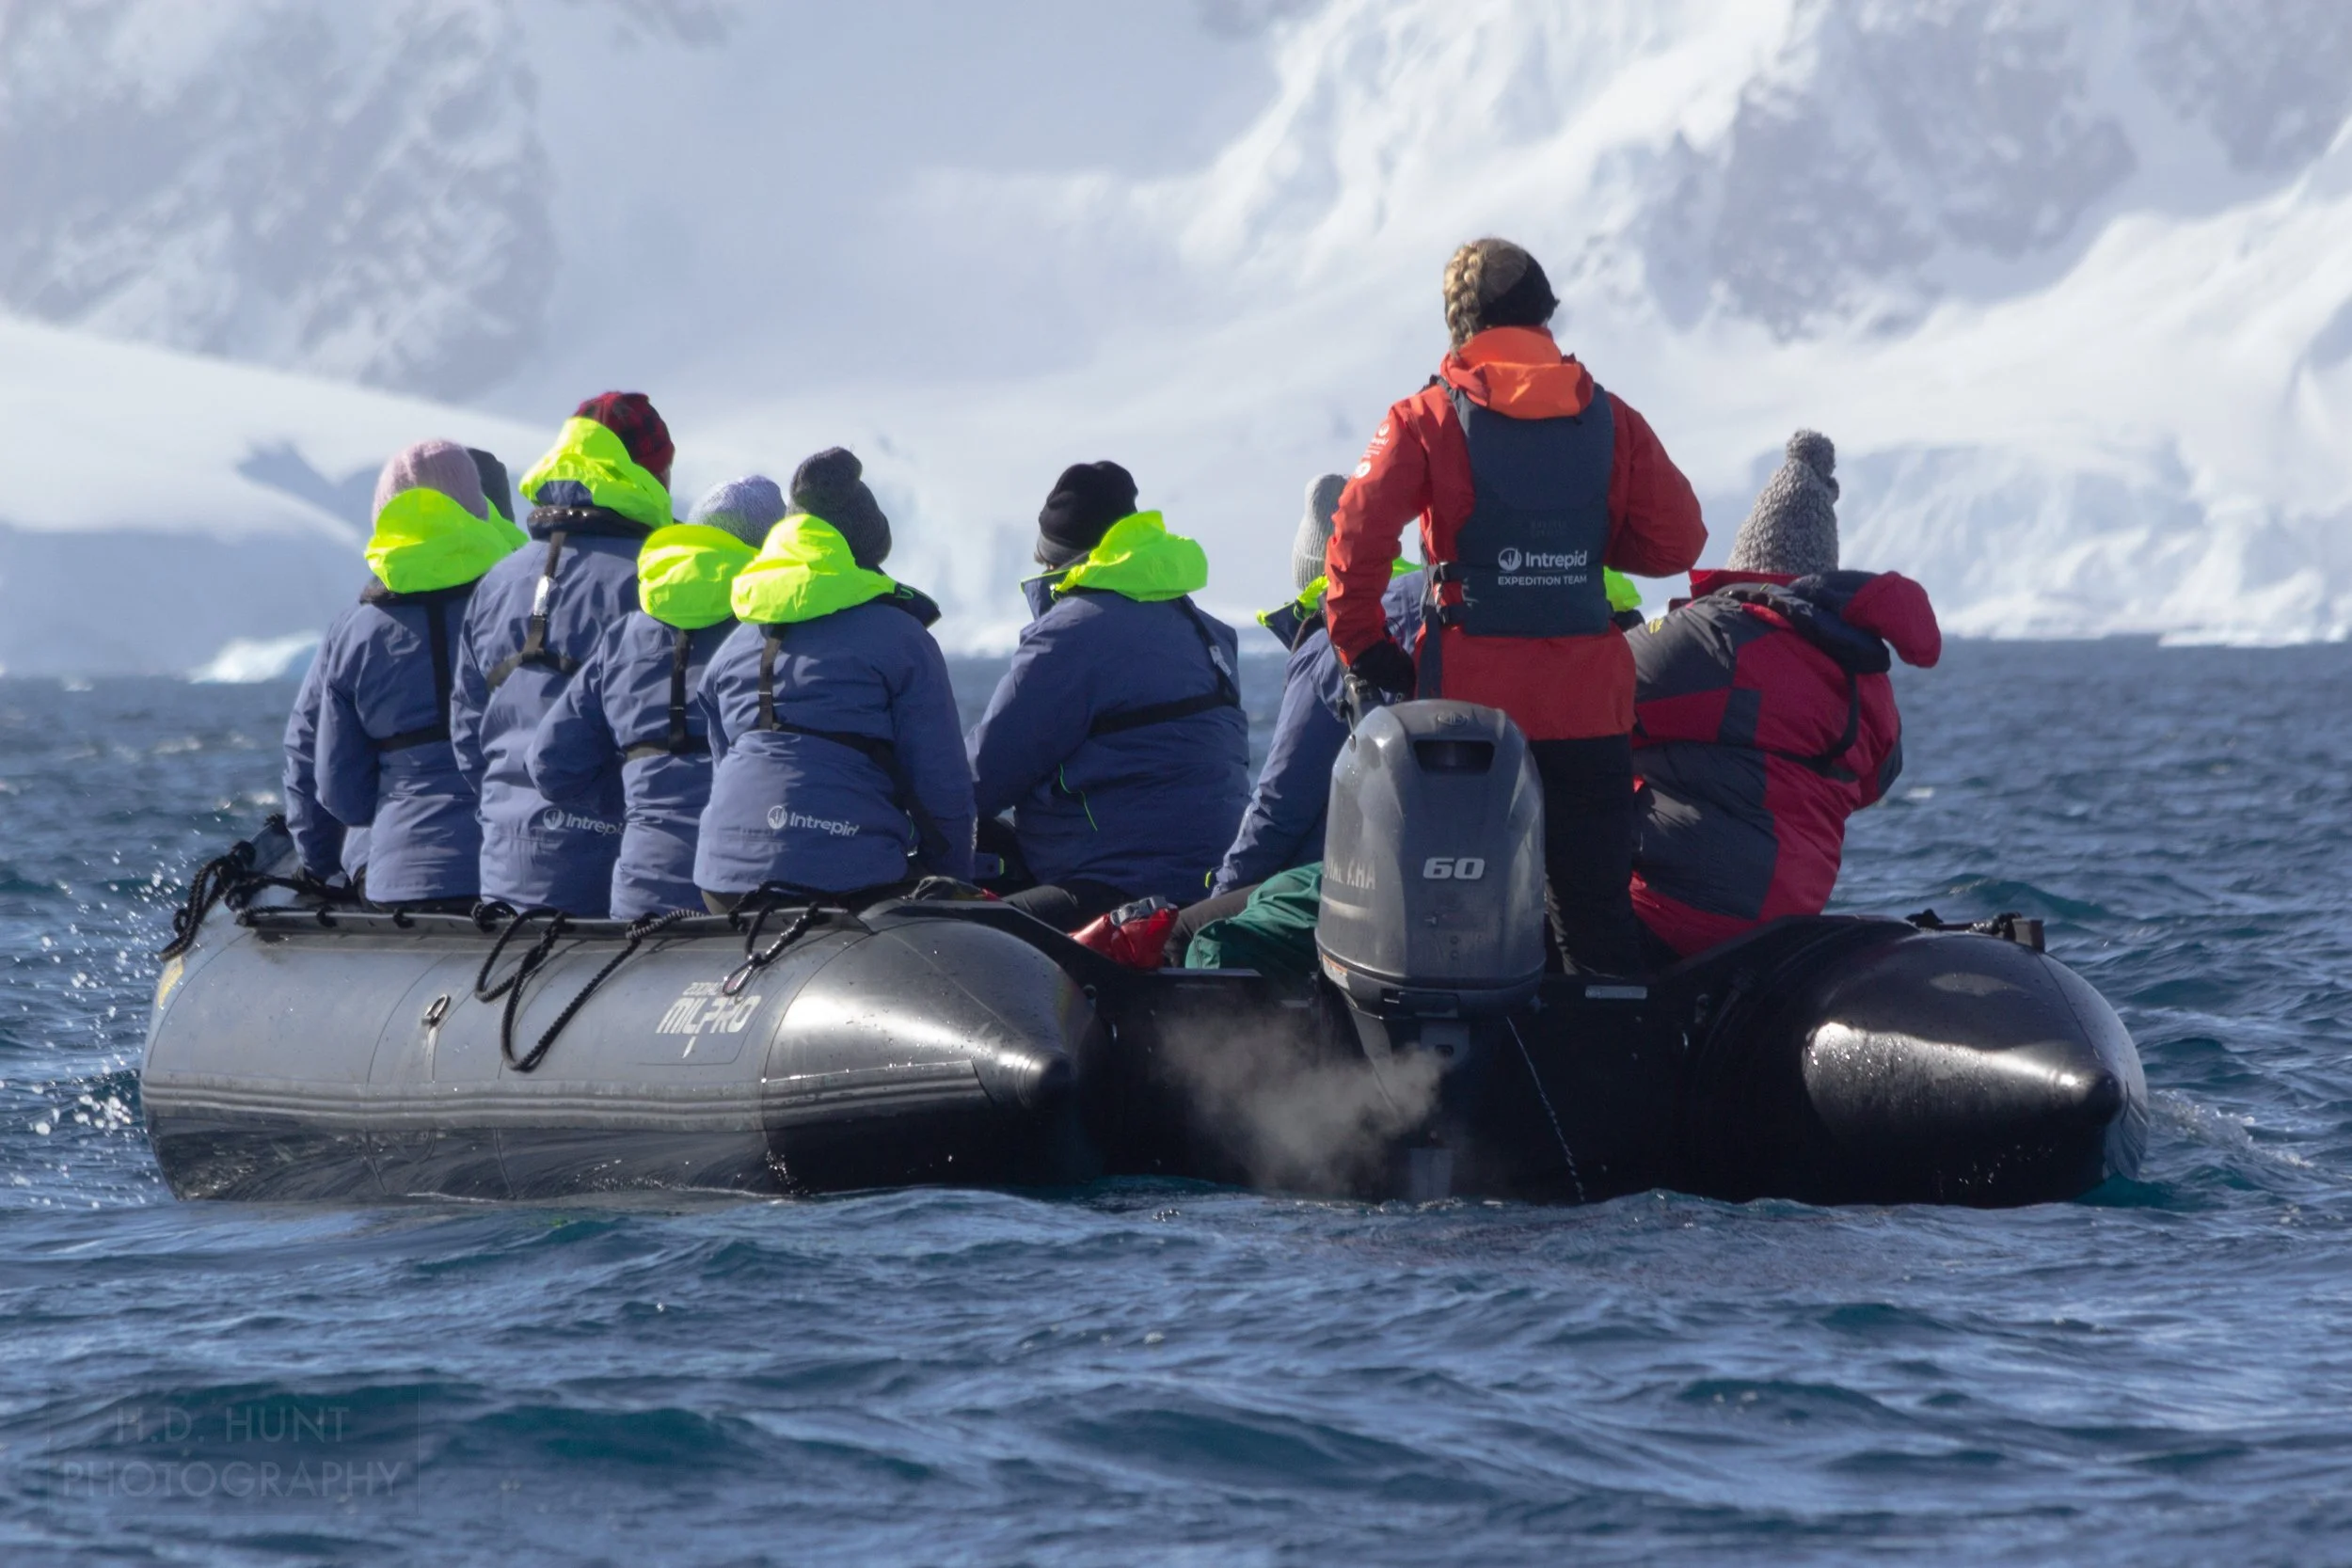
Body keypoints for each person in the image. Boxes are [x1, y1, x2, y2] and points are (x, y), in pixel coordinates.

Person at [1322, 236, 1707, 974]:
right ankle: (1608, 1043)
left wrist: (1365, 647)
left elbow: (1355, 534)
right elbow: (1677, 542)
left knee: (1462, 918)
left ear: (1459, 325)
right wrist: (1578, 541)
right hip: (1590, 710)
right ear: (1545, 314)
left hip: (1467, 718)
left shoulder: (1425, 416)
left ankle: (1477, 1049)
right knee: (1596, 921)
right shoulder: (1612, 420)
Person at [1628, 431, 1942, 962]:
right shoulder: (1864, 677)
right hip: (1784, 930)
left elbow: (1585, 694)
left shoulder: (1714, 638)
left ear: (1747, 559)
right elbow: (1875, 781)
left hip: (1671, 916)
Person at [967, 461, 1249, 927]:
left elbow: (983, 777)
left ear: (1058, 562)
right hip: (1213, 881)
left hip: (1118, 887)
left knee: (939, 926)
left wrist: (899, 808)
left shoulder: (1069, 634)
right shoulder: (1206, 630)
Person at [693, 449, 974, 907]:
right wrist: (952, 882)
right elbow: (942, 788)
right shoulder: (902, 638)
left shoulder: (736, 645)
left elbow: (728, 769)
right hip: (845, 879)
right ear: (869, 550)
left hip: (722, 882)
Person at [451, 392, 675, 916]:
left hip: (506, 871)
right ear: (651, 474)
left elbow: (467, 737)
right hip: (612, 879)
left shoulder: (497, 582)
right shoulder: (654, 583)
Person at [527, 477, 779, 919]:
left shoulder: (625, 637)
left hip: (641, 896)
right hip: (746, 897)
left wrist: (642, 799)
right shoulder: (770, 633)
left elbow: (549, 765)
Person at [309, 440, 525, 910]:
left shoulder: (355, 632)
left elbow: (342, 797)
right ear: (478, 510)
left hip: (400, 881)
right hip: (519, 874)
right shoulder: (522, 609)